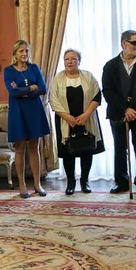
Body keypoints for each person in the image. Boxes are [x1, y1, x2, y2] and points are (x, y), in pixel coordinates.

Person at [102, 30, 136, 194]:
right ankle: (121, 182)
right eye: (134, 42)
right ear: (124, 44)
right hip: (118, 114)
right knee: (120, 149)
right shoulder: (110, 65)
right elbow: (108, 91)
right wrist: (125, 109)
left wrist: (134, 109)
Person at [50, 49, 105, 195]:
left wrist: (86, 115)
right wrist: (68, 118)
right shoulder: (57, 79)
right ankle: (70, 183)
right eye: (66, 59)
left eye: (73, 59)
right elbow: (53, 101)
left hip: (86, 120)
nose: (69, 61)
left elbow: (97, 96)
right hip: (65, 122)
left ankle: (85, 181)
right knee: (68, 153)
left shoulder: (88, 76)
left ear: (79, 61)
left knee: (86, 150)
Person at [4, 40, 51, 197]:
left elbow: (43, 88)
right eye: (21, 51)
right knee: (20, 147)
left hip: (34, 110)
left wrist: (23, 91)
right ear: (15, 54)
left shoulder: (34, 68)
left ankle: (37, 185)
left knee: (34, 146)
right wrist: (31, 88)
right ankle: (22, 186)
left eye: (26, 51)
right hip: (18, 112)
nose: (24, 54)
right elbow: (13, 92)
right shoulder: (9, 71)